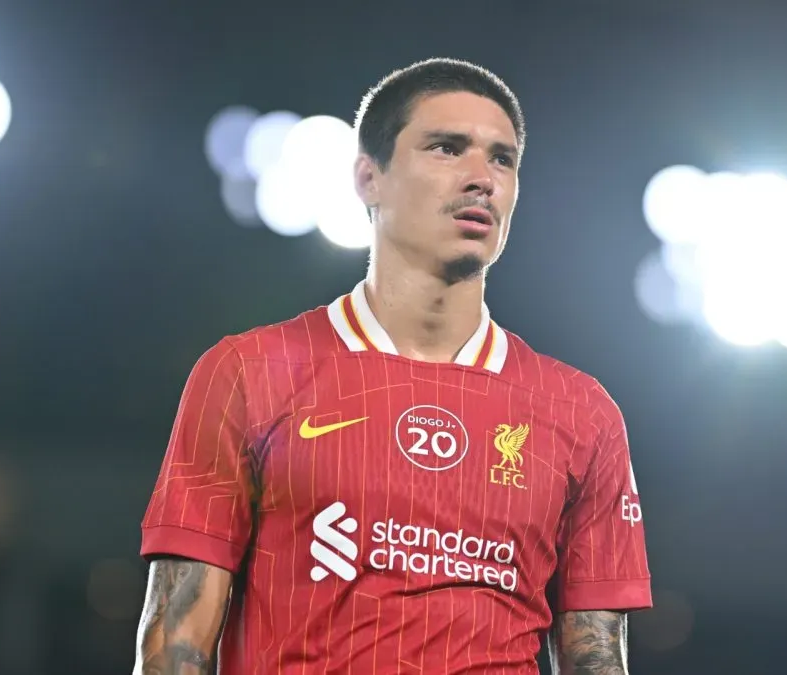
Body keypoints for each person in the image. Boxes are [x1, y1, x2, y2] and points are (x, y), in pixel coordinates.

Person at [133, 57, 652, 675]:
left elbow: (596, 658)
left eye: (502, 159)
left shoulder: (581, 412)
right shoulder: (248, 372)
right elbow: (175, 647)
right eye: (447, 148)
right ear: (368, 177)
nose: (481, 177)